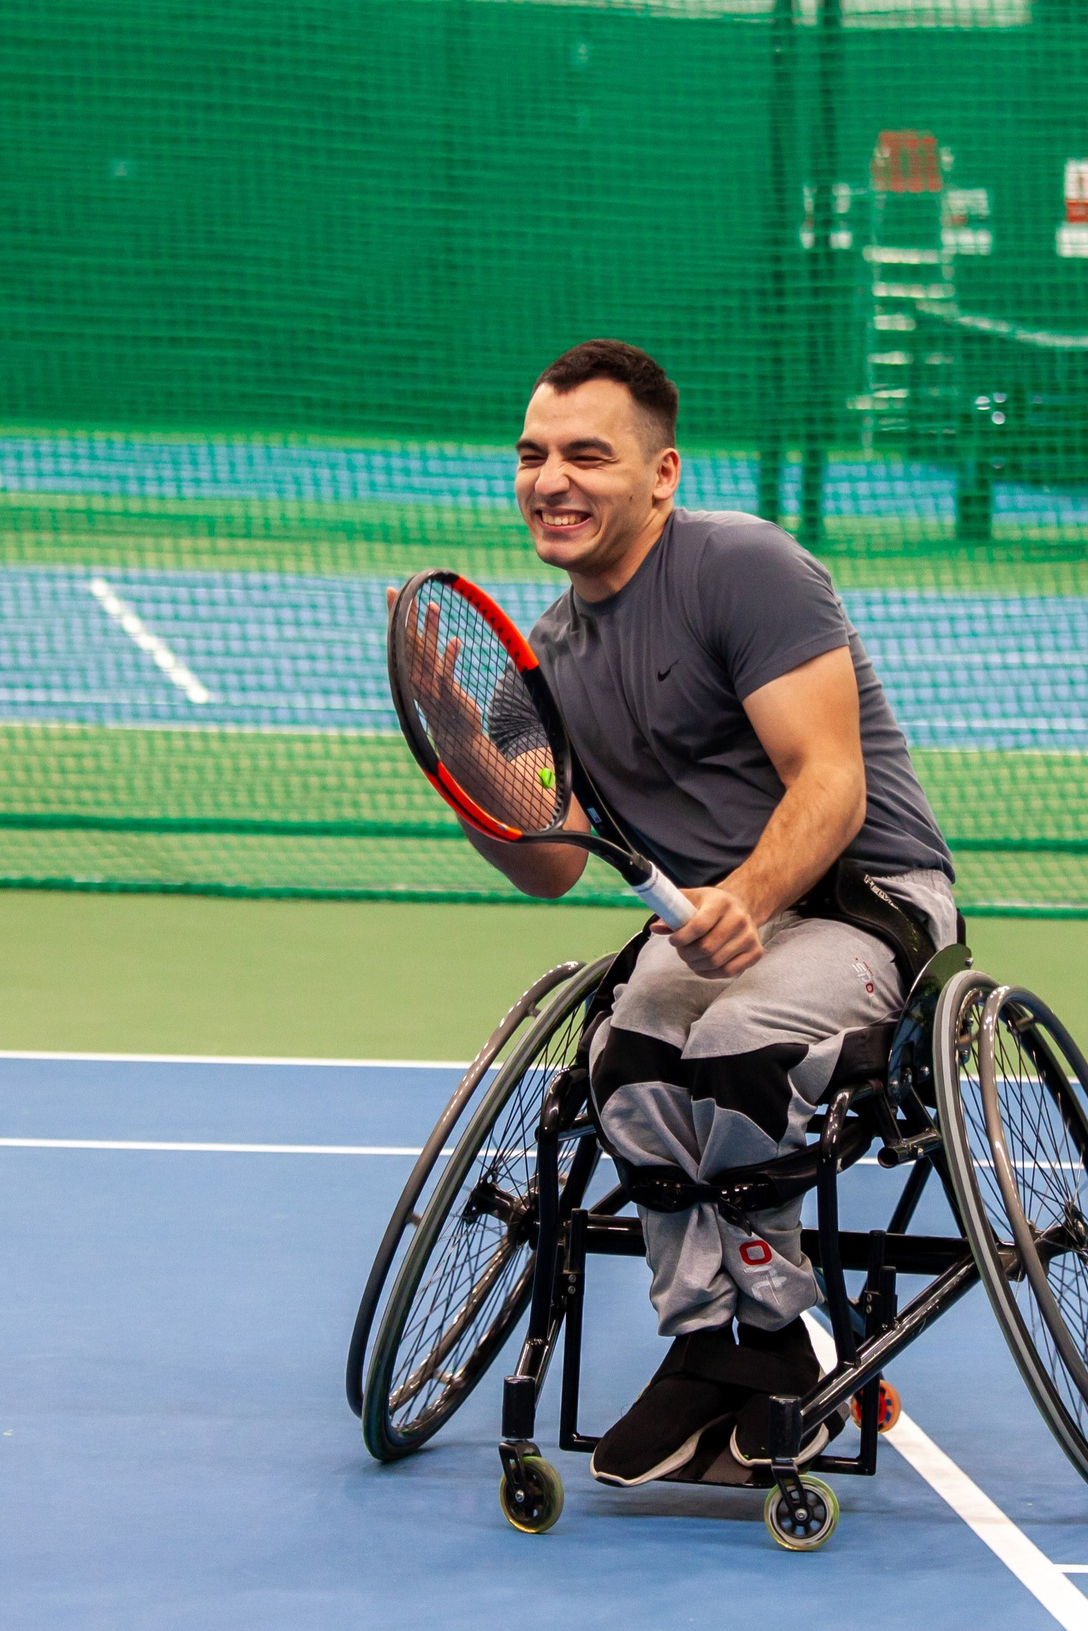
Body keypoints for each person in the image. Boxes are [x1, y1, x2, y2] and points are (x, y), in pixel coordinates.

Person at [393, 340, 957, 1487]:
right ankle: (714, 1346)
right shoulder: (543, 662)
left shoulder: (743, 568)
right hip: (706, 935)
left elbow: (829, 781)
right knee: (628, 1060)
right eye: (532, 456)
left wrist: (748, 896)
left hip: (866, 908)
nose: (550, 480)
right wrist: (458, 747)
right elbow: (549, 864)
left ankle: (771, 1339)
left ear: (661, 475)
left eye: (586, 455)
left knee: (738, 1045)